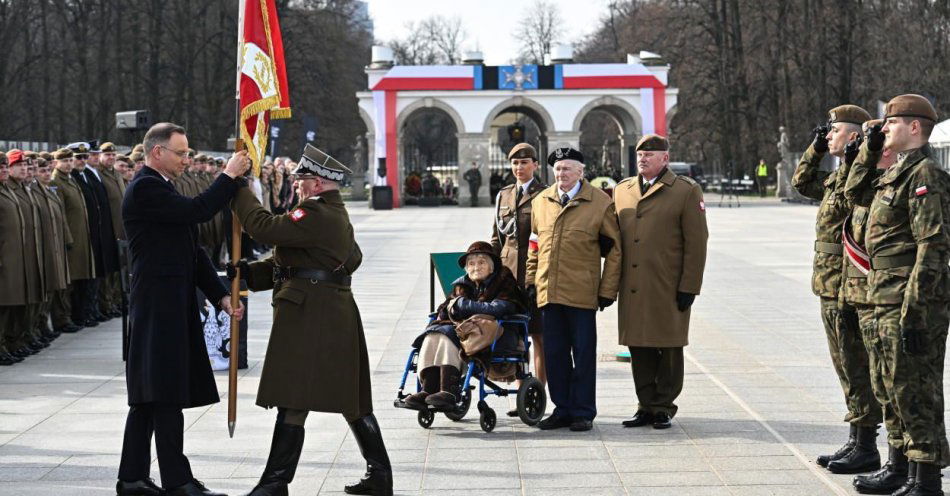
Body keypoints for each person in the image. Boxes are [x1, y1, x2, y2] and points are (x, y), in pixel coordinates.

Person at [228, 144, 392, 496]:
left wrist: (238, 190)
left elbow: (263, 228)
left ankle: (274, 484)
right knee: (348, 397)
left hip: (314, 313)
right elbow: (294, 262)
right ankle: (378, 476)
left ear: (317, 184)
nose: (297, 185)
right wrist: (247, 273)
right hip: (323, 309)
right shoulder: (330, 214)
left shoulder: (315, 214)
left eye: (301, 180)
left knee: (296, 395)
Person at [117, 122, 248, 496]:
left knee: (150, 396)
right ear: (157, 152)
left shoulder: (161, 186)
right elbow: (198, 211)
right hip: (157, 305)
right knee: (164, 394)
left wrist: (220, 294)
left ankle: (132, 478)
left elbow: (192, 250)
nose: (187, 159)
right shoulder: (145, 187)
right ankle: (176, 481)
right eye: (181, 152)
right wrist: (227, 176)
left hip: (170, 301)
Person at [858, 95, 950, 495]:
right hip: (883, 296)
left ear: (915, 128)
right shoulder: (893, 172)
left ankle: (926, 479)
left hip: (910, 302)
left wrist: (915, 309)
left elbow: (932, 247)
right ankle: (903, 469)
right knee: (889, 385)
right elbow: (853, 192)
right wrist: (867, 150)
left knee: (917, 389)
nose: (884, 129)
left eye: (891, 123)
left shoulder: (925, 173)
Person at [792, 104, 883, 473]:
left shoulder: (861, 175)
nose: (828, 136)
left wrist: (856, 157)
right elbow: (801, 182)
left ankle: (867, 445)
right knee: (845, 365)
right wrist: (814, 149)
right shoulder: (837, 176)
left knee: (858, 365)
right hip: (829, 284)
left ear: (854, 136)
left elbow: (853, 198)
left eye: (833, 131)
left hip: (849, 285)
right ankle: (858, 437)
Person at [614, 134, 708, 430]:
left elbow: (697, 242)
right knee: (638, 345)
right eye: (640, 155)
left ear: (665, 159)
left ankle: (664, 405)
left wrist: (689, 286)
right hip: (633, 283)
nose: (643, 159)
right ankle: (645, 404)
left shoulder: (685, 191)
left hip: (667, 283)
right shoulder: (623, 190)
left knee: (668, 346)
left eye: (650, 155)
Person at [526, 147, 622, 432]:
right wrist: (532, 281)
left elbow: (615, 249)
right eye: (557, 169)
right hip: (549, 291)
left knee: (582, 353)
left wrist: (608, 289)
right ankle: (562, 408)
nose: (561, 174)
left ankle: (583, 411)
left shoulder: (598, 203)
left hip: (581, 292)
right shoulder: (542, 201)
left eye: (567, 168)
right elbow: (535, 244)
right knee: (554, 353)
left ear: (581, 172)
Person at [841, 120, 907, 493]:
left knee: (903, 387)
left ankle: (912, 467)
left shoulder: (918, 178)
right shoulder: (877, 184)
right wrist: (860, 155)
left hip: (891, 298)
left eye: (880, 135)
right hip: (863, 292)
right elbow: (849, 190)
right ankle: (874, 450)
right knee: (877, 380)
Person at [405, 241, 527, 411]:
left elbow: (502, 308)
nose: (476, 267)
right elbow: (445, 308)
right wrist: (448, 310)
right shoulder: (462, 284)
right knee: (434, 333)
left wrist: (464, 306)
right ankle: (428, 390)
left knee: (448, 334)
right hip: (467, 333)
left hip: (498, 335)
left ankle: (449, 391)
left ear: (492, 267)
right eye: (471, 263)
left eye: (481, 262)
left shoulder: (503, 280)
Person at [490, 143, 548, 417]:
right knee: (514, 334)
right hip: (509, 276)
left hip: (536, 274)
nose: (519, 168)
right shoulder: (504, 195)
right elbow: (496, 237)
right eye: (515, 163)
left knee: (538, 335)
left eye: (525, 162)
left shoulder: (546, 194)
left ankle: (539, 389)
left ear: (535, 165)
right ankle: (518, 388)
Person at [50, 148, 95, 332]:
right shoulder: (56, 182)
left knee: (80, 280)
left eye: (70, 160)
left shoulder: (70, 179)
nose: (69, 164)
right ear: (57, 163)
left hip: (81, 237)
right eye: (65, 161)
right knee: (68, 283)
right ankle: (63, 319)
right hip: (70, 240)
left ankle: (78, 315)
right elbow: (60, 214)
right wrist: (67, 238)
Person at [0, 152, 27, 365]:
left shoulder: (7, 190)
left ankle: (11, 342)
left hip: (13, 257)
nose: (3, 171)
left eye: (4, 167)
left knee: (11, 304)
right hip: (4, 259)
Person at [96, 142, 127, 319]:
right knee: (108, 271)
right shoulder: (99, 174)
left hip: (121, 228)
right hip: (109, 229)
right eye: (107, 155)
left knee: (118, 269)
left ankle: (115, 300)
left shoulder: (116, 173)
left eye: (113, 155)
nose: (111, 158)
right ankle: (106, 303)